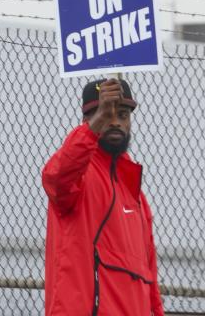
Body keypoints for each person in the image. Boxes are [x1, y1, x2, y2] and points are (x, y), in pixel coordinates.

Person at [41, 78, 164, 315]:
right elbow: (56, 178)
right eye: (105, 115)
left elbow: (150, 277)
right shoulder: (79, 175)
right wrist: (96, 124)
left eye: (123, 114)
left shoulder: (136, 194)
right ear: (88, 121)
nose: (115, 122)